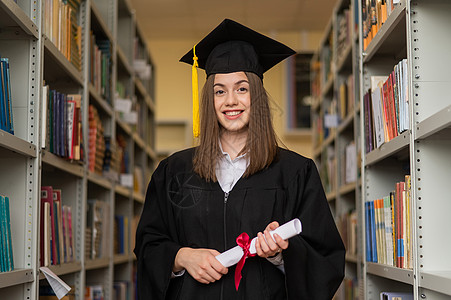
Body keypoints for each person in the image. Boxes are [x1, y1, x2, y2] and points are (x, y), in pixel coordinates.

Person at [134, 19, 345, 300]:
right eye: (219, 91)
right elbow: (149, 244)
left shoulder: (295, 172)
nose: (230, 100)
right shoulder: (174, 171)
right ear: (210, 100)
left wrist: (281, 255)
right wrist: (181, 257)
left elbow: (326, 257)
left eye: (241, 89)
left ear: (256, 96)